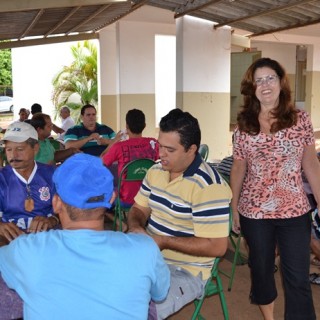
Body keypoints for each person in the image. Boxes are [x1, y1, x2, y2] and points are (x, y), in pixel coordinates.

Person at [0, 153, 170, 320]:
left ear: (56, 203)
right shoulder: (145, 250)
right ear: (111, 199)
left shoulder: (25, 250)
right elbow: (160, 294)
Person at [230, 57, 320, 320]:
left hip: (294, 211)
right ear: (252, 88)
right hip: (254, 213)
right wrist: (234, 206)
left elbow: (311, 164)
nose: (265, 84)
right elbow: (238, 168)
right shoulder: (244, 125)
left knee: (298, 278)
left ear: (281, 82)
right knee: (261, 271)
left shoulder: (300, 120)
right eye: (258, 80)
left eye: (270, 78)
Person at [127, 108, 232, 319]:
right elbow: (138, 209)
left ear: (192, 149)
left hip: (187, 271)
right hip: (150, 255)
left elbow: (218, 246)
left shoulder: (208, 187)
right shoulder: (156, 171)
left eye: (170, 149)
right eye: (160, 146)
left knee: (137, 309)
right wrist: (137, 227)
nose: (160, 154)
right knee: (103, 287)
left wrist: (164, 241)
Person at [0, 122, 59, 244]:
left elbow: (69, 211)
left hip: (46, 240)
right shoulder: (2, 178)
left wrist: (52, 220)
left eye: (20, 149)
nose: (13, 155)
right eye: (9, 149)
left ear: (35, 148)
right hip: (9, 242)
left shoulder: (53, 175)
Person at [102, 108, 159, 206]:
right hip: (149, 198)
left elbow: (101, 162)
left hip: (126, 198)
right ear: (144, 126)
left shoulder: (118, 147)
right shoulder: (153, 143)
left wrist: (113, 142)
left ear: (126, 127)